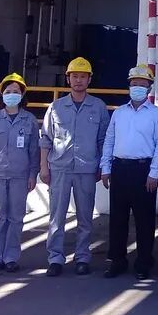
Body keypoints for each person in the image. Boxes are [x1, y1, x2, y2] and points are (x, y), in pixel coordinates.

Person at [38, 57, 110, 277]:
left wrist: (103, 166)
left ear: (89, 79)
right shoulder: (56, 107)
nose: (79, 80)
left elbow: (104, 140)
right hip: (59, 168)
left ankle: (82, 257)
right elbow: (46, 139)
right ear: (68, 79)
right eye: (75, 76)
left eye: (83, 76)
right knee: (57, 217)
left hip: (87, 169)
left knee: (85, 217)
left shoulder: (98, 107)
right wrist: (43, 167)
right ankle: (55, 258)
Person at [100, 64, 158, 280]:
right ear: (129, 86)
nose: (137, 87)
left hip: (143, 170)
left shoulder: (157, 115)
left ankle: (144, 262)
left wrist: (154, 173)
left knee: (144, 220)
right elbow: (109, 140)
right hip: (120, 169)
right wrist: (105, 168)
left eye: (142, 84)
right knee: (117, 218)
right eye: (134, 84)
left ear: (149, 88)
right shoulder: (119, 113)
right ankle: (117, 260)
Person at [0, 72, 39, 274]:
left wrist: (33, 174)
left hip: (20, 176)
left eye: (16, 91)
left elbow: (34, 151)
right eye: (8, 91)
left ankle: (11, 258)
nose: (12, 94)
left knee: (16, 218)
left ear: (22, 95)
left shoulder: (29, 120)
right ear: (2, 95)